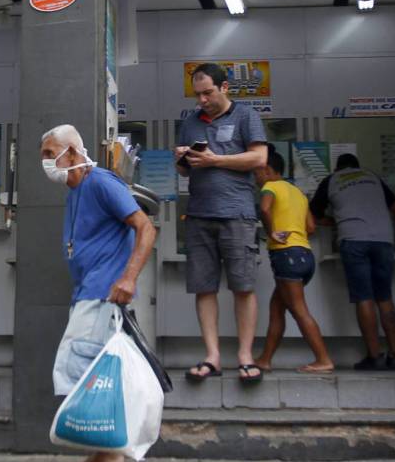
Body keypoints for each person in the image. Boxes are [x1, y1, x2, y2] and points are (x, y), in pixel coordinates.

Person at [44, 124, 157, 462]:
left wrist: (129, 278)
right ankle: (109, 454)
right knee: (94, 381)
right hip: (88, 296)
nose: (45, 162)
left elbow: (145, 228)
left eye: (50, 154)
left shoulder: (102, 183)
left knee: (80, 376)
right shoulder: (75, 192)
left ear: (72, 153)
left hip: (101, 297)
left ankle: (109, 453)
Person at [176, 63, 268, 383]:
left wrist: (215, 160)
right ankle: (212, 357)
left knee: (243, 286)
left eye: (208, 93)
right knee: (204, 288)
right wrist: (182, 160)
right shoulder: (190, 122)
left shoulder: (246, 116)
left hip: (237, 214)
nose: (202, 100)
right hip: (199, 214)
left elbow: (259, 158)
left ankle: (245, 357)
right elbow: (185, 171)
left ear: (224, 87)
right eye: (197, 94)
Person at [310, 153, 395, 371]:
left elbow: (313, 215)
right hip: (384, 240)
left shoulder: (332, 180)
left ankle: (374, 356)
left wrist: (335, 221)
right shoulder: (372, 177)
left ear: (337, 168)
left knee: (364, 298)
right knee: (385, 297)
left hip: (353, 240)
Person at [252, 150, 334, 374]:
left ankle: (323, 359)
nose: (255, 179)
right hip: (305, 255)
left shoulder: (270, 187)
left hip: (286, 255)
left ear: (267, 170)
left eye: (256, 173)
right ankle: (265, 359)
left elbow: (264, 209)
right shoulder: (298, 192)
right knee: (277, 308)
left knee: (299, 310)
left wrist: (272, 232)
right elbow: (311, 227)